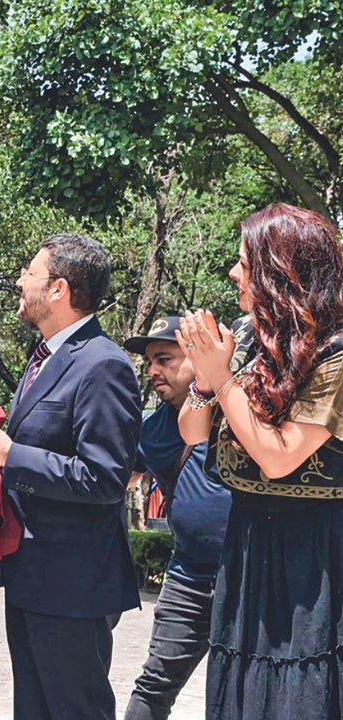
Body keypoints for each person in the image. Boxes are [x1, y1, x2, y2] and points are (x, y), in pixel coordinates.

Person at [177, 204, 343, 720]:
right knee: (242, 690)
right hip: (247, 537)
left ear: (280, 272)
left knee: (299, 694)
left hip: (315, 548)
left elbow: (278, 457)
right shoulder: (247, 335)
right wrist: (206, 379)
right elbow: (192, 430)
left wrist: (222, 378)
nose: (232, 273)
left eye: (244, 262)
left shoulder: (335, 352)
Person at [0, 233, 141, 720]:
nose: (20, 281)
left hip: (73, 586)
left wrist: (12, 455)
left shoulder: (103, 364)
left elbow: (105, 478)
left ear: (59, 289)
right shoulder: (45, 356)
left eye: (30, 272)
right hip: (32, 576)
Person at [121, 316, 232, 720]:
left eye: (164, 358)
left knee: (239, 692)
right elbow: (112, 477)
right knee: (154, 686)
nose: (153, 371)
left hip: (250, 578)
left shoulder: (242, 407)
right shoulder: (149, 429)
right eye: (149, 362)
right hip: (188, 578)